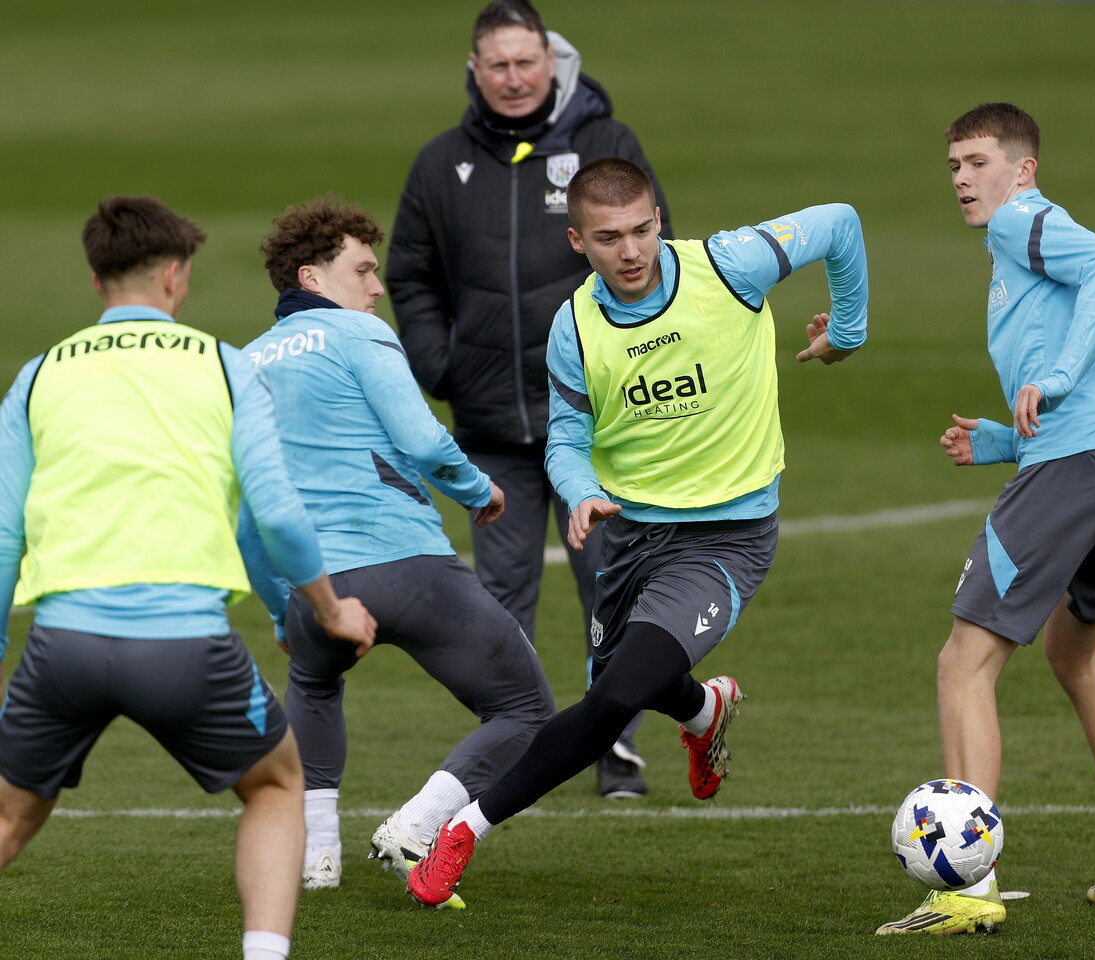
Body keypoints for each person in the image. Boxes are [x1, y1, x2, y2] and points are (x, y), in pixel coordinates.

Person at [406, 157, 869, 907]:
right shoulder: (574, 327)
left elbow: (841, 224)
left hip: (726, 540)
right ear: (577, 241)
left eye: (641, 231)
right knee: (626, 678)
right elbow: (566, 438)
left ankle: (463, 831)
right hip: (630, 539)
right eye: (608, 237)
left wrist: (846, 333)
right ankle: (704, 710)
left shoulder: (729, 266)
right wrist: (582, 493)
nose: (630, 252)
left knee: (612, 700)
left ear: (659, 221)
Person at [0, 196, 376, 960]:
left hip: (64, 647)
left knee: (11, 817)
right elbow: (277, 513)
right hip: (186, 648)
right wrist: (330, 609)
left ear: (97, 280)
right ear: (174, 276)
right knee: (276, 787)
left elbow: (5, 537)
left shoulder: (38, 377)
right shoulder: (224, 365)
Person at [876, 103, 1095, 936]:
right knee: (1074, 654)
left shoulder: (1021, 222)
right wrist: (1006, 441)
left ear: (1024, 170)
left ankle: (967, 885)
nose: (963, 179)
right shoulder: (1023, 245)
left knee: (963, 663)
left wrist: (1057, 375)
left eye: (979, 162)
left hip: (1079, 468)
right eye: (954, 166)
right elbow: (1091, 385)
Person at [386, 0, 673, 799]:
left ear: (553, 63)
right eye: (498, 65)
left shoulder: (605, 146)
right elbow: (408, 273)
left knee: (614, 588)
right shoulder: (441, 164)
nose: (513, 79)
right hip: (491, 428)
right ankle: (515, 743)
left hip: (598, 425)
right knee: (499, 605)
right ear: (474, 72)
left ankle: (614, 747)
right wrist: (440, 364)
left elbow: (653, 260)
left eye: (525, 62)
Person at [238, 196, 556, 905]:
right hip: (407, 566)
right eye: (362, 270)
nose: (377, 287)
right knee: (526, 710)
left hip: (315, 586)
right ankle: (417, 825)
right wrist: (477, 488)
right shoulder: (358, 333)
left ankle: (317, 858)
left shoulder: (245, 364)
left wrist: (282, 608)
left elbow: (246, 518)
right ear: (312, 278)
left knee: (315, 684)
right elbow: (420, 439)